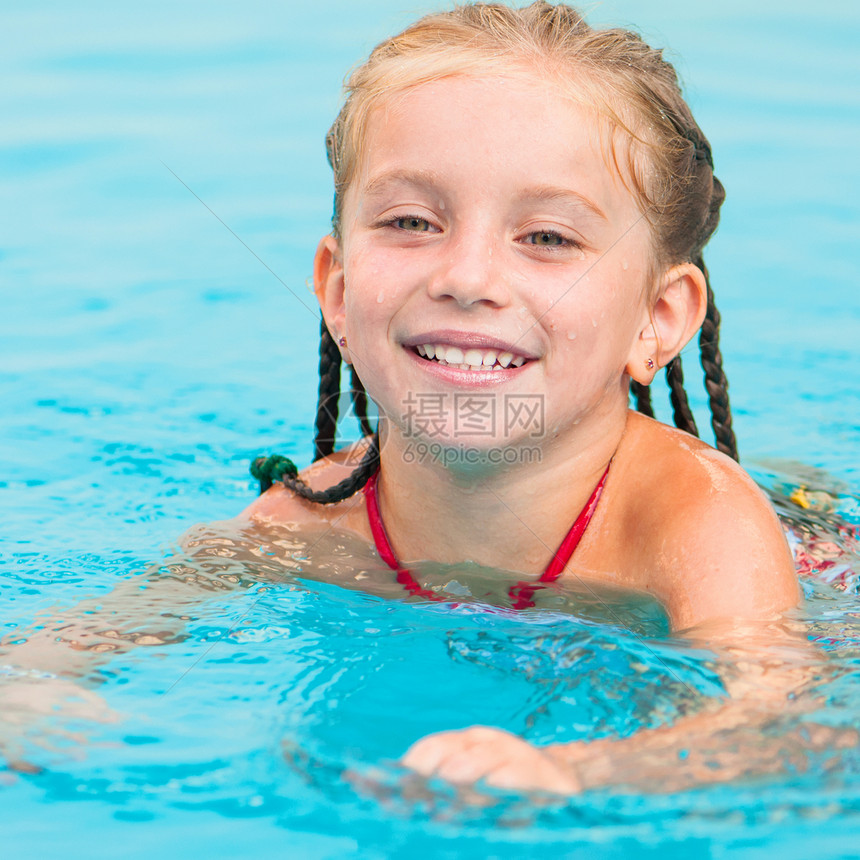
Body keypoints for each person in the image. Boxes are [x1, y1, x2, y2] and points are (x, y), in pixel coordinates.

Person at [240, 1, 809, 791]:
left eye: (547, 238)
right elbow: (113, 624)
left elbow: (781, 722)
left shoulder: (695, 522)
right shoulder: (313, 516)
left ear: (657, 319)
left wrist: (582, 770)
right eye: (411, 221)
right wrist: (40, 683)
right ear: (336, 291)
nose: (466, 279)